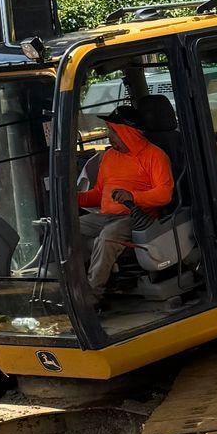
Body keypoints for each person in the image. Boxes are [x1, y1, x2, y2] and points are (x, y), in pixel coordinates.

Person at [78, 101, 175, 296]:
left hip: (136, 218)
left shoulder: (155, 156)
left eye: (113, 132)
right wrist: (76, 199)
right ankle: (69, 283)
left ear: (128, 133)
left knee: (108, 236)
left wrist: (133, 197)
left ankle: (92, 295)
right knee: (64, 228)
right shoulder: (109, 157)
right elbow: (98, 193)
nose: (109, 136)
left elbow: (165, 194)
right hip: (105, 216)